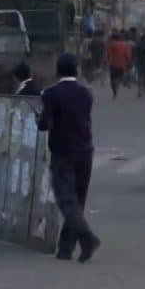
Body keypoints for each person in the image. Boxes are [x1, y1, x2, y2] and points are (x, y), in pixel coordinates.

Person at [37, 54, 100, 262]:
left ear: (58, 71)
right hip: (85, 150)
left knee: (65, 199)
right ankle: (66, 248)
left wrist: (40, 118)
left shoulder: (51, 94)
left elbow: (44, 124)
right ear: (77, 70)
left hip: (63, 152)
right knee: (77, 201)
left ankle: (86, 237)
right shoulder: (86, 93)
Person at [106, 33, 131, 99]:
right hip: (122, 64)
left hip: (113, 64)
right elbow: (128, 56)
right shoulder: (125, 45)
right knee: (120, 76)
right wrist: (128, 63)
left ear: (113, 39)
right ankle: (120, 82)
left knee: (113, 78)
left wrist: (107, 61)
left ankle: (115, 93)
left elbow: (107, 54)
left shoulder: (111, 45)